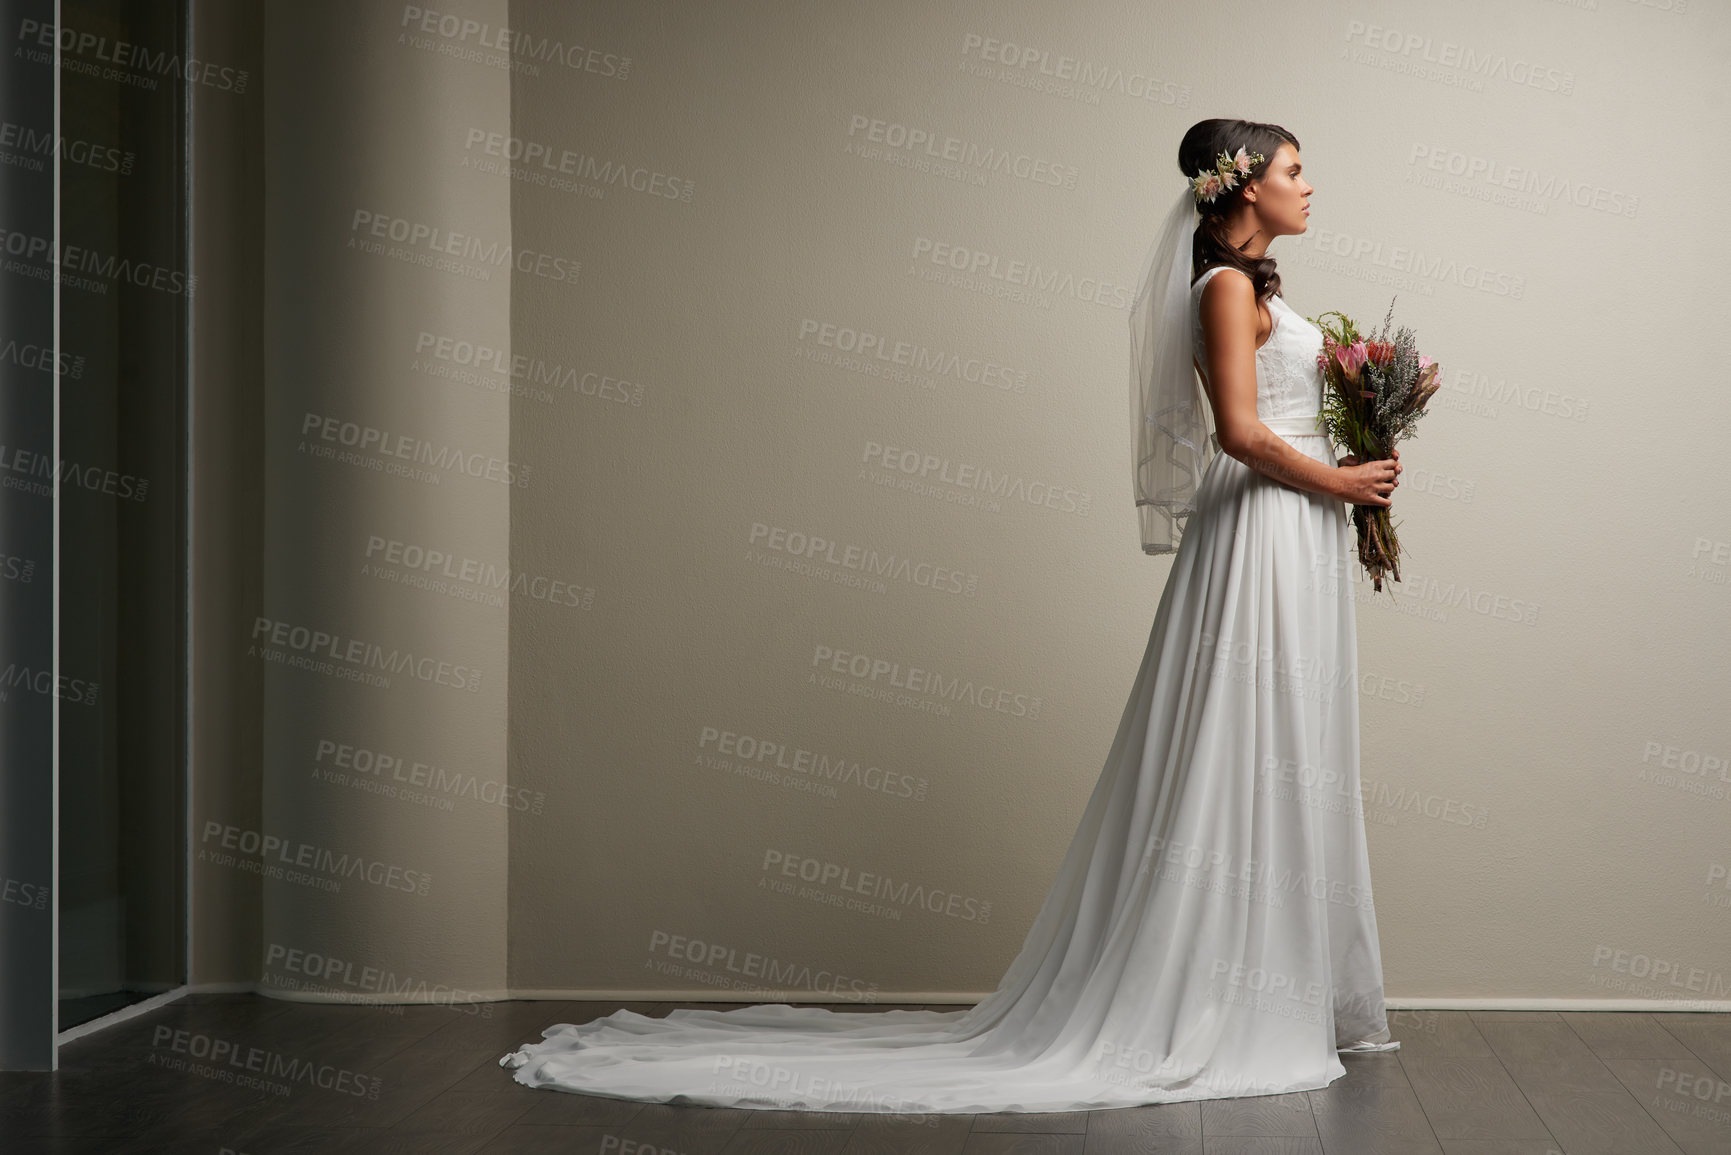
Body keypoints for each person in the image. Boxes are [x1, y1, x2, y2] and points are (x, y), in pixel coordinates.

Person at [498, 117, 1402, 1114]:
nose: (1310, 187)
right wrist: (1340, 481)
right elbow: (1236, 432)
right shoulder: (1225, 289)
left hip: (1296, 530)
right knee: (1245, 740)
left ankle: (1271, 982)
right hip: (1263, 532)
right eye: (1294, 170)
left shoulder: (1260, 290)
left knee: (1284, 738)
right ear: (1241, 190)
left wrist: (1356, 462)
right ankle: (1216, 995)